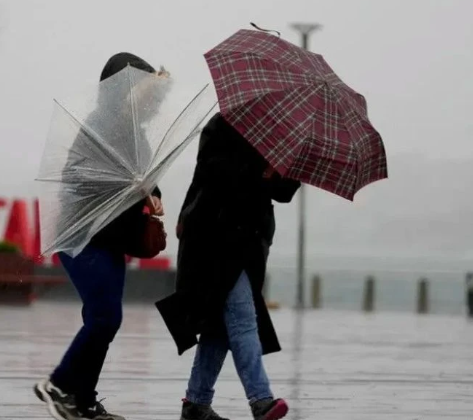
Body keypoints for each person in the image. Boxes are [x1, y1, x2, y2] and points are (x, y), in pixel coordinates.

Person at [34, 52, 165, 420]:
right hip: (84, 237)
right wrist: (125, 184)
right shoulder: (98, 127)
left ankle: (84, 401)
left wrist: (153, 198)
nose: (147, 98)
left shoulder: (138, 137)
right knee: (105, 318)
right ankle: (59, 385)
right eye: (138, 88)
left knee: (104, 318)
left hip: (113, 241)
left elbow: (150, 185)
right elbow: (76, 175)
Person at [159, 113, 300, 420]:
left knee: (218, 327)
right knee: (242, 318)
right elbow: (215, 173)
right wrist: (261, 170)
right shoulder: (222, 125)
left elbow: (285, 192)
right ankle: (261, 400)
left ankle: (196, 403)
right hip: (214, 239)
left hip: (250, 243)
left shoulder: (281, 135)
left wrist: (280, 171)